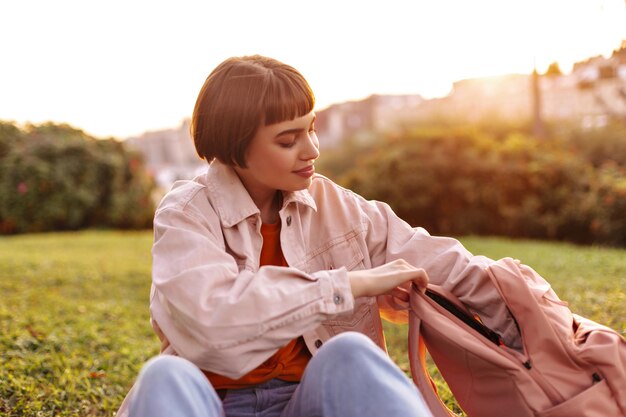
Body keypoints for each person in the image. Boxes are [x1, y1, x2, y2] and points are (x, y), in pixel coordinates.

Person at [117, 55, 521, 417]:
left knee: (351, 354)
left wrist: (545, 323)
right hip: (210, 403)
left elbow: (447, 266)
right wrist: (348, 284)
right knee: (164, 375)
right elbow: (214, 322)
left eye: (311, 129)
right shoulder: (186, 212)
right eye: (287, 140)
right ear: (235, 148)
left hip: (310, 401)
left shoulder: (336, 205)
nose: (311, 150)